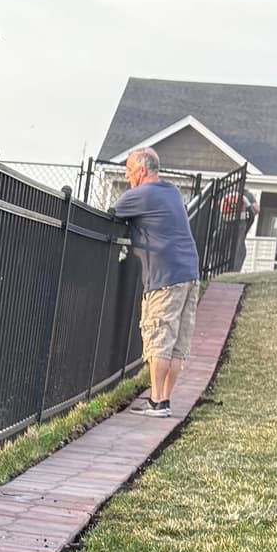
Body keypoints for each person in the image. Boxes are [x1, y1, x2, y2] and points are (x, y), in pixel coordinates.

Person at [111, 148, 201, 417]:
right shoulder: (171, 191)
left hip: (165, 276)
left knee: (159, 336)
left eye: (128, 170)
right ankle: (165, 399)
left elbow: (112, 213)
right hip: (190, 271)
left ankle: (157, 401)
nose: (127, 176)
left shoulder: (141, 194)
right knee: (177, 343)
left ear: (141, 170)